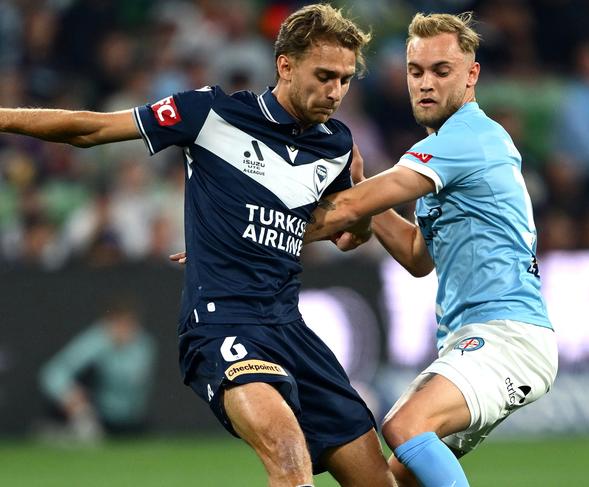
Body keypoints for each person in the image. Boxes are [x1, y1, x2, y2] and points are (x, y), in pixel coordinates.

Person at [0, 4, 394, 487]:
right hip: (223, 323)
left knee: (379, 481)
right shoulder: (209, 113)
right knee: (291, 468)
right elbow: (92, 129)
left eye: (346, 79)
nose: (335, 92)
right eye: (325, 75)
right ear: (285, 65)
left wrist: (363, 213)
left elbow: (350, 234)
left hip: (291, 329)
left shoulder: (336, 145)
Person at [305, 12, 558, 487]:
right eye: (416, 71)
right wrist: (361, 187)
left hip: (506, 337)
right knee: (392, 481)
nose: (425, 83)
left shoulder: (466, 137)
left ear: (472, 75)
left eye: (441, 71)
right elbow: (418, 256)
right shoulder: (442, 152)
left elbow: (348, 209)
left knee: (403, 424)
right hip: (475, 339)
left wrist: (250, 236)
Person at [38, 299, 156, 443]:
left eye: (128, 324)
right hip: (98, 419)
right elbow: (52, 373)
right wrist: (72, 397)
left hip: (132, 422)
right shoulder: (96, 341)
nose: (123, 330)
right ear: (108, 323)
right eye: (118, 324)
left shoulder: (144, 345)